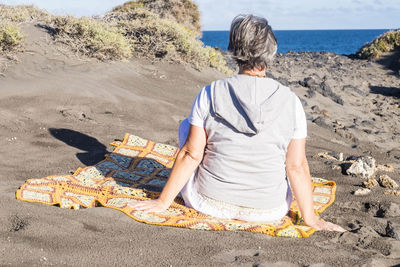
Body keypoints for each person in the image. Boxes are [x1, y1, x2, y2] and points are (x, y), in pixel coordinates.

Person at [129, 14, 345, 232]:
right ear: (271, 51)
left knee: (188, 126)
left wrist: (162, 202)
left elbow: (191, 154)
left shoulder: (211, 92)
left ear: (233, 49)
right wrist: (311, 218)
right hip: (269, 210)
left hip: (209, 203)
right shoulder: (291, 102)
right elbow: (296, 166)